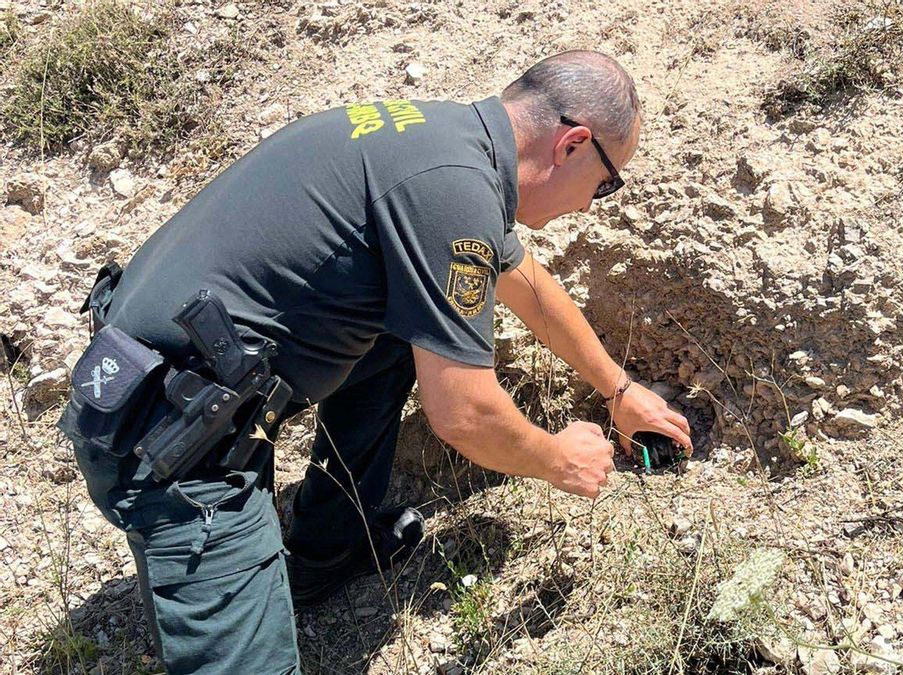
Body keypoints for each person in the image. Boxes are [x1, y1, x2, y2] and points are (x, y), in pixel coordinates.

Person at [57, 49, 693, 673]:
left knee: (406, 325)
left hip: (162, 378)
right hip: (168, 444)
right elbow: (465, 414)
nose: (591, 203)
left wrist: (619, 388)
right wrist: (559, 460)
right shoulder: (454, 194)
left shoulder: (444, 141)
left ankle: (328, 550)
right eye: (606, 185)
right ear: (573, 144)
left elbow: (525, 283)